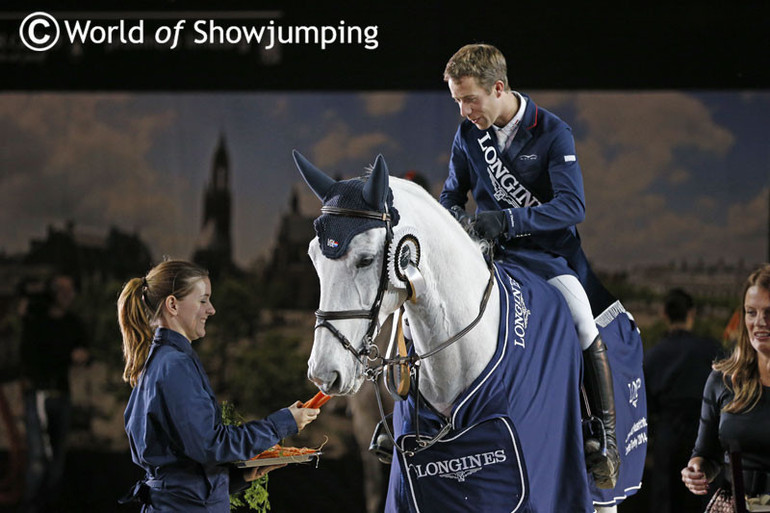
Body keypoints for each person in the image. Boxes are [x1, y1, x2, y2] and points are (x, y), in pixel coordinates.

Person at [439, 43, 619, 489]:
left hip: (548, 257)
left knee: (580, 321)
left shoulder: (554, 132)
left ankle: (606, 440)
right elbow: (450, 195)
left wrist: (509, 219)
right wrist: (460, 221)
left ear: (498, 88)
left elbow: (572, 207)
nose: (464, 111)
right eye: (457, 101)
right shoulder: (467, 135)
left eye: (470, 100)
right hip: (490, 256)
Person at [118, 259, 319, 512]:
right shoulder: (174, 365)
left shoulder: (161, 361)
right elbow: (209, 445)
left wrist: (239, 477)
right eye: (202, 300)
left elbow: (181, 462)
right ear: (172, 305)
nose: (211, 309)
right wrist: (282, 423)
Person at [682, 264, 770, 505]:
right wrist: (696, 471)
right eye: (751, 312)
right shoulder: (723, 381)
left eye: (769, 313)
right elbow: (706, 454)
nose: (759, 322)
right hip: (734, 505)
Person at [644, 288, 723, 513]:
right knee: (705, 502)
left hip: (668, 440)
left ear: (664, 314)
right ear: (692, 313)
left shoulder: (653, 356)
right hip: (706, 440)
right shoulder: (712, 350)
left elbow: (646, 409)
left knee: (667, 503)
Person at [19, 273, 90, 513]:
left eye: (70, 291)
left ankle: (48, 505)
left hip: (61, 393)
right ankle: (31, 506)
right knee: (39, 459)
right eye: (61, 290)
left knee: (57, 461)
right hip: (39, 393)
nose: (66, 296)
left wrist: (82, 355)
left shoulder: (72, 323)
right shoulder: (37, 322)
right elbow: (31, 357)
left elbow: (85, 349)